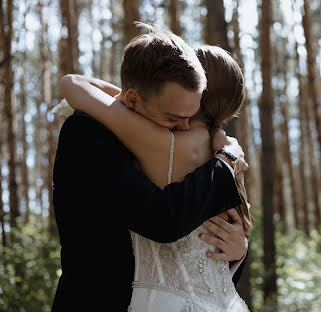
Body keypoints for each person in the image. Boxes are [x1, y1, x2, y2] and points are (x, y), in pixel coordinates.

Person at [52, 25, 248, 312]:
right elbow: (161, 219)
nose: (181, 127)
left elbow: (203, 263)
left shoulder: (189, 150)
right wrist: (228, 159)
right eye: (174, 116)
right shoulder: (89, 130)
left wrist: (238, 251)